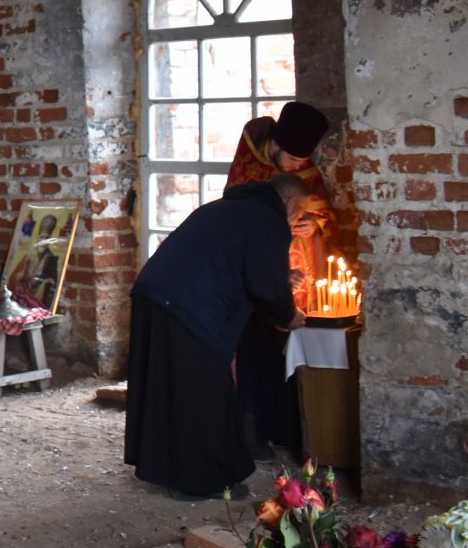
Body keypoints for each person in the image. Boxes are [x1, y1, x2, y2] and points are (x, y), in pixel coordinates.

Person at [126, 174, 311, 500]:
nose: (296, 222)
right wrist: (287, 315)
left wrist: (281, 281)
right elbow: (265, 285)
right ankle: (198, 482)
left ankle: (169, 468)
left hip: (156, 295)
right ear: (291, 202)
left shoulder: (231, 208)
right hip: (190, 307)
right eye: (299, 214)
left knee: (170, 388)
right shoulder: (268, 218)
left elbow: (241, 265)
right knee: (202, 392)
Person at [225, 101, 334, 458]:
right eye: (293, 161)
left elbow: (323, 211)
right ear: (276, 145)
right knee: (256, 354)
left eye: (303, 164)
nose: (298, 168)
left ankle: (288, 430)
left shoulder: (304, 169)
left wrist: (315, 224)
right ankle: (253, 432)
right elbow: (238, 222)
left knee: (288, 354)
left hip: (301, 276)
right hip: (261, 278)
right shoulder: (247, 167)